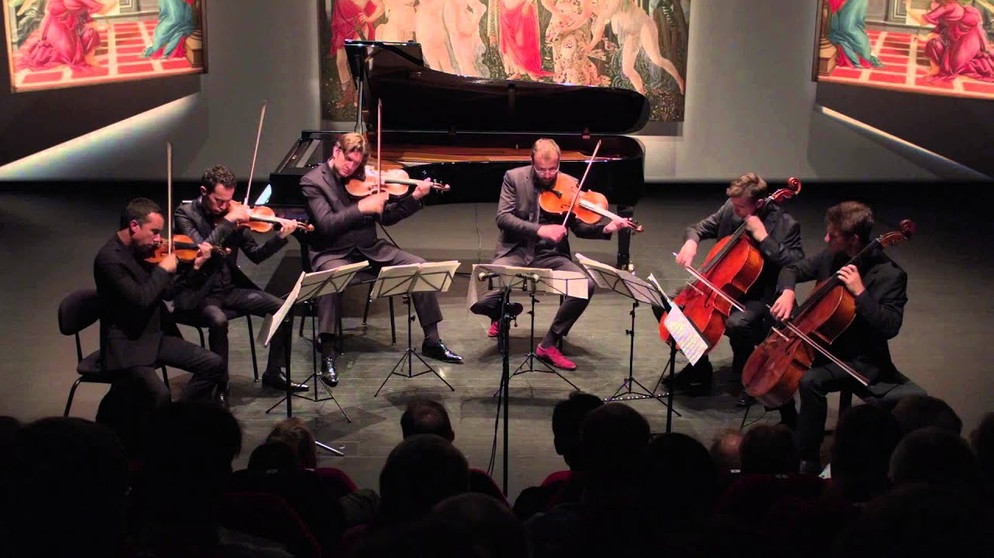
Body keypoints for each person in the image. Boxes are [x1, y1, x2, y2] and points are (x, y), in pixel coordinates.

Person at [301, 132, 464, 388]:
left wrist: (414, 199)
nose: (352, 168)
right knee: (330, 281)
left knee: (420, 268)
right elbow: (327, 224)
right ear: (335, 151)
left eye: (357, 163)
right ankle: (328, 353)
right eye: (348, 160)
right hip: (332, 253)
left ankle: (432, 340)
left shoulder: (364, 178)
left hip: (370, 250)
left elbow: (387, 218)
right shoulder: (312, 182)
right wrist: (361, 207)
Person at [469, 138, 636, 371]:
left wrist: (607, 228)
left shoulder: (569, 184)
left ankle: (549, 343)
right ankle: (501, 312)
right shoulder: (514, 178)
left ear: (559, 163)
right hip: (516, 250)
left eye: (553, 169)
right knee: (479, 298)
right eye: (541, 170)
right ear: (531, 162)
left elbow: (579, 228)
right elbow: (503, 218)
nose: (548, 175)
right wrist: (541, 229)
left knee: (585, 285)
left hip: (551, 254)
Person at [770, 201, 908, 474]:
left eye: (832, 235)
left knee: (810, 381)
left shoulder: (890, 275)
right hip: (824, 346)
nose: (826, 239)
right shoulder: (832, 258)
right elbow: (792, 270)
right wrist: (787, 292)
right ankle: (790, 422)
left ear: (854, 239)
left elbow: (889, 326)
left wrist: (860, 293)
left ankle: (808, 456)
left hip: (860, 359)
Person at [663, 172, 804, 404]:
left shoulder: (786, 225)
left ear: (759, 204)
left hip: (760, 294)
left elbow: (796, 264)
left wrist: (763, 237)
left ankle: (744, 374)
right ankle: (699, 367)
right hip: (721, 284)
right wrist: (691, 241)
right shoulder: (731, 207)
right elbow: (698, 227)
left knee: (737, 323)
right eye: (734, 204)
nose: (734, 209)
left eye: (741, 207)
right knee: (668, 304)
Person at [173, 164, 308, 394]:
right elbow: (201, 249)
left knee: (282, 308)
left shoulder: (232, 214)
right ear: (204, 191)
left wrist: (281, 237)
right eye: (219, 201)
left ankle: (274, 372)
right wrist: (228, 223)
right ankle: (219, 381)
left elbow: (256, 256)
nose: (224, 206)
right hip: (200, 292)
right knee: (218, 321)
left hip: (229, 289)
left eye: (228, 201)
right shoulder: (185, 215)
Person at [93, 197, 225, 404]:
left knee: (214, 364)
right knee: (160, 396)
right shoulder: (110, 260)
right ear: (134, 226)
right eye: (154, 232)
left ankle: (177, 414)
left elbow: (168, 293)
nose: (158, 239)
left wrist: (195, 268)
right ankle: (165, 422)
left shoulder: (145, 251)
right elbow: (141, 300)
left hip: (153, 335)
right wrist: (163, 270)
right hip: (126, 346)